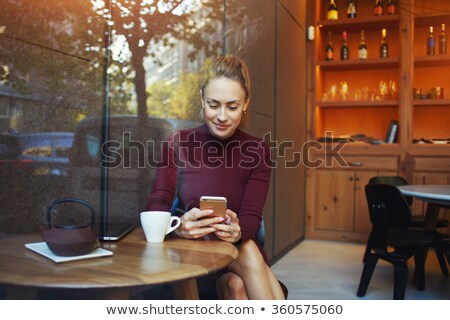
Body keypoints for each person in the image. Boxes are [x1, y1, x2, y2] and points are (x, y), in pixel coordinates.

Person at [146, 55, 285, 300]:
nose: (222, 116)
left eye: (232, 106)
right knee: (238, 278)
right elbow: (157, 205)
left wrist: (238, 231)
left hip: (235, 254)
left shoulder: (258, 150)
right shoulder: (178, 143)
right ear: (202, 100)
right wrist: (178, 228)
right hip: (191, 255)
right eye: (213, 104)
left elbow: (251, 218)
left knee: (237, 282)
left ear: (245, 103)